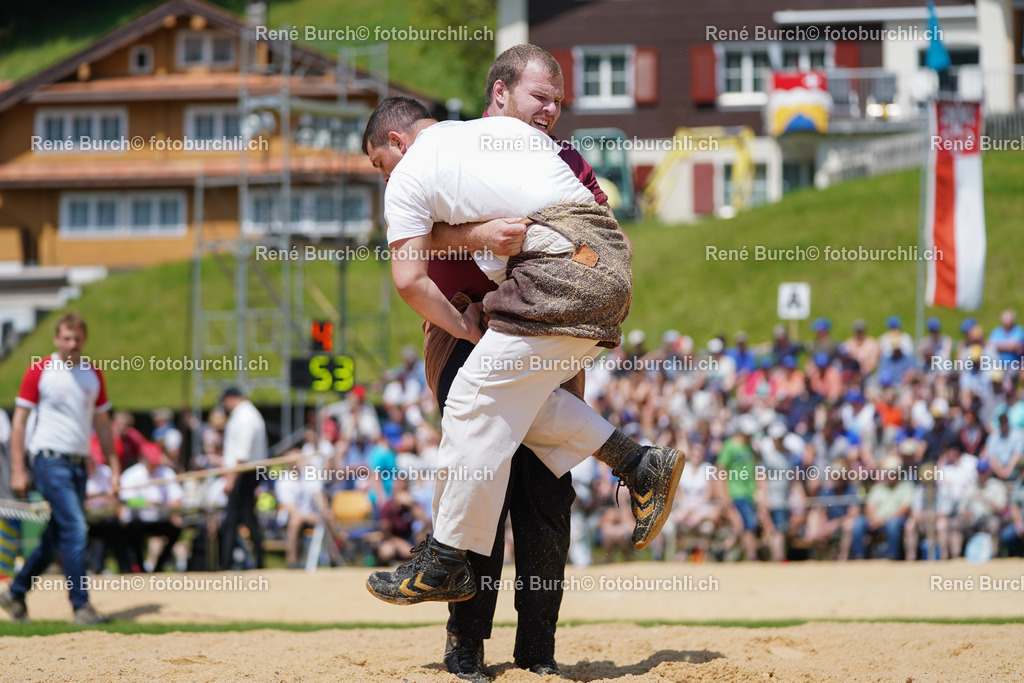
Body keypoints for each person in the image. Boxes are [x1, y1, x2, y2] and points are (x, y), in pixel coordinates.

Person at [361, 96, 684, 607]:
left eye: (381, 163)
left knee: (468, 401)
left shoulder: (411, 171)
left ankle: (444, 561)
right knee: (516, 403)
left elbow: (409, 280)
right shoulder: (495, 139)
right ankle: (639, 464)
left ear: (398, 141)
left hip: (557, 278)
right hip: (607, 273)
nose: (385, 178)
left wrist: (462, 326)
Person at [429, 44, 612, 679]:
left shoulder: (567, 161)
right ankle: (465, 645)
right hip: (465, 331)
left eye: (558, 101)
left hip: (545, 339)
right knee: (478, 487)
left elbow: (600, 240)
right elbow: (414, 235)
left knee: (546, 498)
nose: (551, 110)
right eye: (540, 97)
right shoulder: (454, 149)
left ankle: (537, 651)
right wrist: (479, 239)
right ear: (500, 92)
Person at [1, 312, 118, 624]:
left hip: (79, 465)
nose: (72, 344)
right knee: (76, 528)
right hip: (49, 461)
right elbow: (19, 423)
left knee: (56, 536)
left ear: (84, 340)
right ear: (56, 339)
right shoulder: (40, 370)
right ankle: (81, 606)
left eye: (77, 339)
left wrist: (114, 468)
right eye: (66, 338)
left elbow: (103, 425)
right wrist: (18, 469)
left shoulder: (93, 374)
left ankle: (15, 592)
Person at [218, 387, 267, 570]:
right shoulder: (244, 414)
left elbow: (242, 453)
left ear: (230, 398)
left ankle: (227, 563)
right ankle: (253, 560)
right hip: (244, 470)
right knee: (244, 516)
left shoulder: (246, 416)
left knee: (236, 518)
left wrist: (231, 478)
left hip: (245, 471)